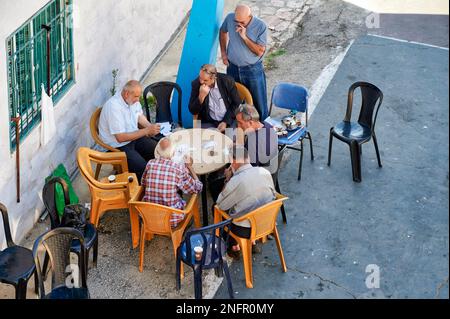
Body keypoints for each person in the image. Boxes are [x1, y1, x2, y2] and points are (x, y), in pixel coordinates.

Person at [216, 145, 276, 256]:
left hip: (245, 230)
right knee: (251, 201)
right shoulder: (264, 172)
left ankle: (233, 246)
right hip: (267, 221)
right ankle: (253, 242)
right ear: (247, 157)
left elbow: (220, 205)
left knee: (215, 209)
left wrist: (228, 180)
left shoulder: (236, 181)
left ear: (233, 161)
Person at [98, 80, 160, 181]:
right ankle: (142, 189)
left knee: (157, 151)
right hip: (117, 146)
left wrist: (150, 126)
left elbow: (139, 115)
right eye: (136, 96)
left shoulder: (131, 100)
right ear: (127, 93)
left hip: (133, 137)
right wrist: (146, 131)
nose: (138, 100)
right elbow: (120, 138)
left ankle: (157, 181)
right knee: (141, 167)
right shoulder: (113, 107)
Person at [220, 4, 269, 121]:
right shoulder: (230, 18)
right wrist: (223, 52)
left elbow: (259, 52)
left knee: (258, 103)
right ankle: (240, 129)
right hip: (232, 68)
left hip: (252, 70)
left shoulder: (261, 26)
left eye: (242, 22)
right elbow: (222, 32)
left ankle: (263, 131)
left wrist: (244, 37)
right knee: (234, 101)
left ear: (250, 17)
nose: (238, 24)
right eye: (237, 21)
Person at [141, 138, 203, 228]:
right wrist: (190, 167)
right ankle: (180, 231)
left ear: (157, 152)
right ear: (173, 153)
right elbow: (198, 188)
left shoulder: (150, 163)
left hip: (148, 217)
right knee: (181, 195)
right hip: (171, 220)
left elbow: (143, 183)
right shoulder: (177, 169)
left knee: (174, 190)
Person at [188, 64, 242, 132]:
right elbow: (192, 110)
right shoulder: (196, 84)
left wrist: (225, 122)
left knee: (232, 138)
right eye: (200, 78)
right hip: (209, 121)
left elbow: (236, 103)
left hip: (228, 119)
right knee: (204, 140)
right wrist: (201, 97)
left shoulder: (227, 81)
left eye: (205, 80)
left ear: (214, 78)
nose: (201, 82)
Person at [235, 103, 278, 174]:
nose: (238, 126)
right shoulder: (268, 125)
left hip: (256, 177)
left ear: (251, 123)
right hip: (269, 171)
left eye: (240, 123)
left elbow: (247, 170)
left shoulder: (252, 142)